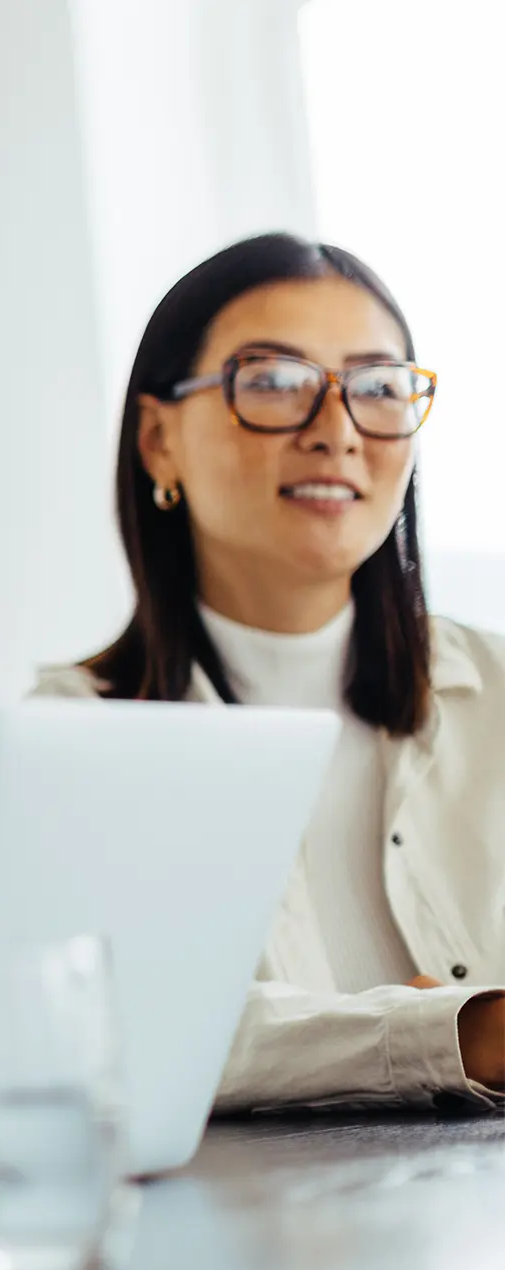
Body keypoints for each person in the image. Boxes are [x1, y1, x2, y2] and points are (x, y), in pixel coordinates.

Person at [36, 232, 505, 1112]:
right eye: (276, 382)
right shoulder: (74, 739)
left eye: (377, 388)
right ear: (158, 439)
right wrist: (461, 1032)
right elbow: (109, 1035)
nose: (336, 431)